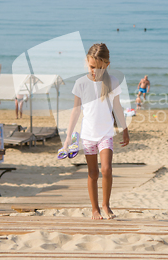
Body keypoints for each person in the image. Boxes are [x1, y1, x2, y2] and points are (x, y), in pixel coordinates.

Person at [61, 43, 129, 220]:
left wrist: (125, 129)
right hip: (88, 136)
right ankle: (95, 209)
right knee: (93, 173)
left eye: (99, 68)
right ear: (87, 63)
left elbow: (117, 107)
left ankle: (106, 206)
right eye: (92, 67)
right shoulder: (80, 84)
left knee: (106, 169)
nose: (95, 72)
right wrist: (68, 136)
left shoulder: (112, 81)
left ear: (106, 64)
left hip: (106, 133)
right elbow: (76, 110)